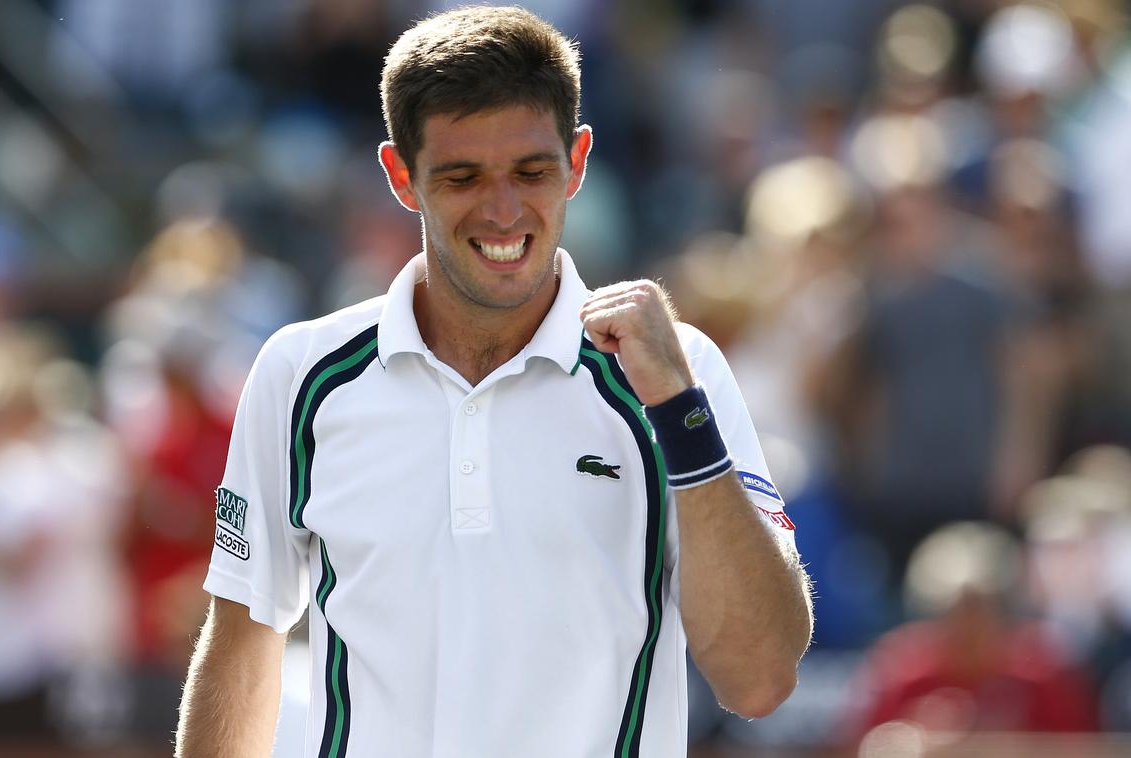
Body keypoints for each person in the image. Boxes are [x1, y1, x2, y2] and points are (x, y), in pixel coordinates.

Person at [175, 7, 812, 757]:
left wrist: (678, 412)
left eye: (531, 171)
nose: (504, 210)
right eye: (463, 176)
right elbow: (244, 645)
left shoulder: (680, 373)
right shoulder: (299, 373)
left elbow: (758, 679)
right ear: (401, 177)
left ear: (577, 162)